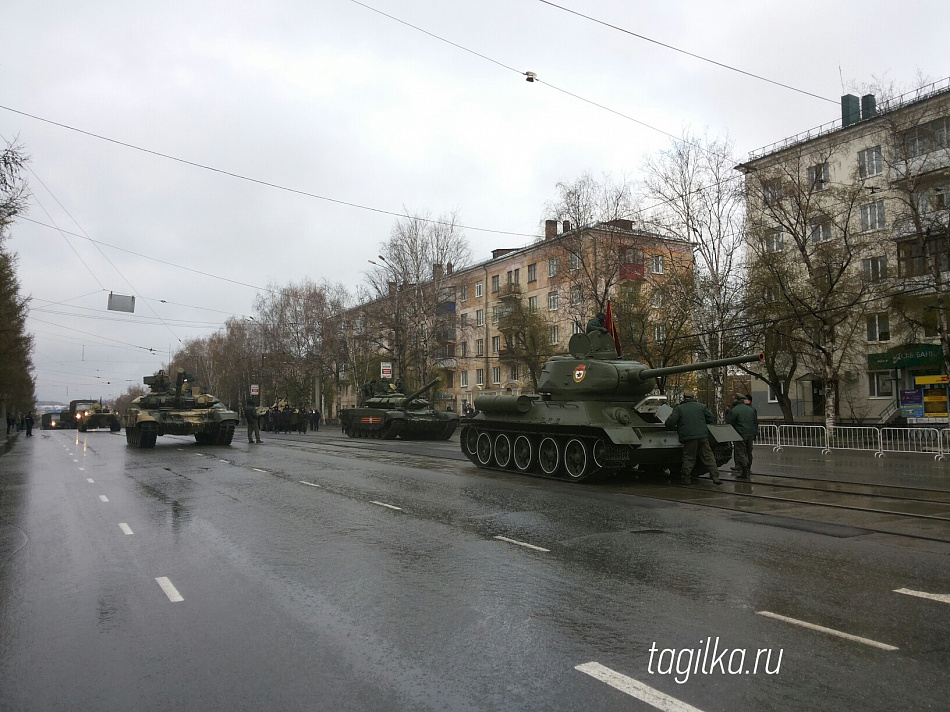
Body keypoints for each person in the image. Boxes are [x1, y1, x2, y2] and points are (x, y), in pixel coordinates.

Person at [665, 393, 722, 485]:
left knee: (689, 457)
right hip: (702, 436)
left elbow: (670, 422)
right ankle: (715, 477)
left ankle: (686, 479)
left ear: (684, 398)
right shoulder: (702, 406)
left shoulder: (679, 408)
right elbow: (711, 418)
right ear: (693, 398)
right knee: (708, 456)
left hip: (688, 437)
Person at [726, 393, 758, 480]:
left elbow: (729, 422)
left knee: (741, 452)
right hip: (750, 433)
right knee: (749, 451)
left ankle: (744, 471)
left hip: (739, 434)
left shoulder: (734, 410)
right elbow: (755, 422)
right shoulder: (751, 409)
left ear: (736, 400)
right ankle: (748, 468)